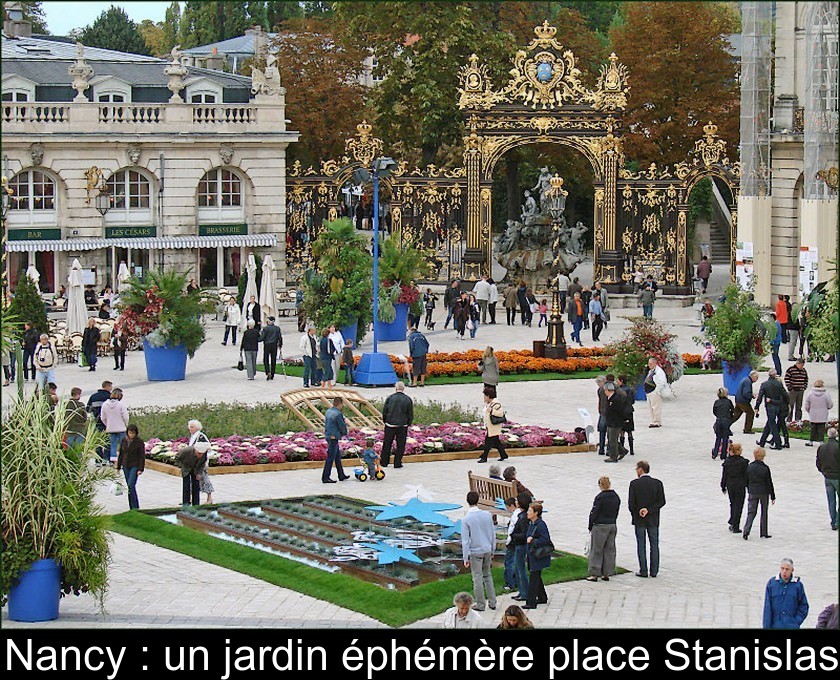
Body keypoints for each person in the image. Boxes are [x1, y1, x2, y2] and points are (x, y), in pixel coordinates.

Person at [628, 460, 666, 578]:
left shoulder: (634, 484)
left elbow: (631, 504)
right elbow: (661, 502)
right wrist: (649, 510)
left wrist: (639, 512)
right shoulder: (657, 483)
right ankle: (654, 571)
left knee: (641, 544)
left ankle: (643, 570)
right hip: (653, 519)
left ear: (640, 469)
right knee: (654, 544)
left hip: (640, 520)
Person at [461, 490, 497, 612]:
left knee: (477, 577)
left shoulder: (466, 519)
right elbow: (492, 533)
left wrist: (465, 558)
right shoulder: (487, 515)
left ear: (467, 501)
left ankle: (481, 604)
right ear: (478, 500)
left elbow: (465, 540)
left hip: (475, 551)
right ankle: (493, 602)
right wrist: (493, 549)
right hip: (487, 549)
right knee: (487, 575)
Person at [587, 476, 620, 581]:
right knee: (609, 549)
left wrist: (590, 524)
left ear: (600, 485)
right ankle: (607, 572)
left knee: (597, 550)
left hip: (600, 525)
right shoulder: (615, 496)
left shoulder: (600, 497)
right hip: (612, 524)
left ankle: (594, 573)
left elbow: (594, 512)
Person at [763, 558, 809, 629]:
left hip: (792, 626)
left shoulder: (798, 586)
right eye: (782, 568)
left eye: (787, 569)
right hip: (775, 626)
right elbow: (767, 607)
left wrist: (796, 622)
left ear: (792, 570)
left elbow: (804, 606)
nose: (784, 571)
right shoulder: (772, 584)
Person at [174, 421, 211, 506]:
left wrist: (199, 473)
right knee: (186, 486)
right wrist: (181, 467)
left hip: (196, 468)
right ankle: (185, 503)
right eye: (190, 427)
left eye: (192, 427)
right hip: (186, 467)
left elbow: (202, 463)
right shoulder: (186, 451)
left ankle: (196, 503)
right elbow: (177, 458)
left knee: (196, 485)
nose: (190, 429)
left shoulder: (201, 441)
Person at [743, 447, 775, 540]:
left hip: (752, 491)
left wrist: (749, 488)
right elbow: (769, 482)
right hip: (763, 492)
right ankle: (763, 532)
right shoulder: (765, 468)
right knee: (764, 512)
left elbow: (746, 480)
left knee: (751, 512)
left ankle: (746, 530)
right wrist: (772, 495)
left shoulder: (749, 467)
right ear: (763, 457)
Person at [524, 502, 552, 609]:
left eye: (530, 511)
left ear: (536, 513)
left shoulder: (540, 525)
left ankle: (531, 602)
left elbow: (546, 539)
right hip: (532, 554)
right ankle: (542, 597)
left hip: (538, 556)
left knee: (534, 578)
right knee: (536, 576)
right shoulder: (532, 523)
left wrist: (533, 541)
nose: (527, 513)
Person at [381, 381, 414, 468]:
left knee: (387, 443)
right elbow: (410, 413)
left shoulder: (390, 398)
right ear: (403, 389)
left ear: (396, 388)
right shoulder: (408, 399)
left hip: (390, 424)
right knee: (401, 444)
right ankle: (397, 463)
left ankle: (384, 462)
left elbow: (385, 411)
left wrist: (385, 421)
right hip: (402, 425)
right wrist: (408, 423)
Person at [721, 442, 749, 533]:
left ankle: (732, 521)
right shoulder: (743, 462)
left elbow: (724, 475)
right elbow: (747, 475)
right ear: (737, 451)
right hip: (740, 485)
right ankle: (735, 525)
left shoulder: (727, 462)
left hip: (730, 485)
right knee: (739, 505)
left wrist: (723, 486)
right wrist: (748, 485)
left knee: (733, 503)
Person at [508, 492, 531, 603]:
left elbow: (523, 534)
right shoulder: (522, 515)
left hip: (521, 546)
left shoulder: (523, 518)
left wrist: (513, 535)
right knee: (518, 568)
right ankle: (522, 591)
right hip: (519, 545)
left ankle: (524, 592)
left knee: (520, 569)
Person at [116, 423, 145, 510]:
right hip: (125, 465)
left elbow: (142, 456)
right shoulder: (124, 441)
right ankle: (131, 506)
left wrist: (141, 468)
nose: (131, 435)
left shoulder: (139, 442)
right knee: (129, 487)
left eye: (133, 433)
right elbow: (121, 454)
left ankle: (136, 506)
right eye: (130, 433)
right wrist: (118, 466)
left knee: (131, 484)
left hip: (134, 465)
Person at [477, 385, 508, 463]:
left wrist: (491, 411)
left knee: (488, 442)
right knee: (496, 442)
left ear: (488, 396)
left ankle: (484, 457)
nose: (484, 397)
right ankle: (503, 454)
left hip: (493, 427)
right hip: (490, 426)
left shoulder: (496, 404)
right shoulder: (489, 403)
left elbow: (500, 413)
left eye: (485, 396)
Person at [816, 428, 839, 531]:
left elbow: (818, 463)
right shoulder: (838, 447)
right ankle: (837, 522)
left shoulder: (822, 447)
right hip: (837, 477)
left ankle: (833, 522)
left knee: (831, 501)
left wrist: (823, 471)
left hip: (827, 477)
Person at [755, 370, 785, 450]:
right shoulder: (779, 384)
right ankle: (762, 441)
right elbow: (783, 395)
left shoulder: (764, 384)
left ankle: (778, 443)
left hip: (769, 407)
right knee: (769, 423)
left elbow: (760, 397)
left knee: (772, 425)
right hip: (777, 406)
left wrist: (757, 407)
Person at [322, 397, 349, 484]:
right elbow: (341, 425)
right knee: (330, 458)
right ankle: (325, 477)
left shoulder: (328, 411)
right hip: (334, 437)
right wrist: (344, 433)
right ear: (340, 404)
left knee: (337, 457)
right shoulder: (338, 414)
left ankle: (341, 475)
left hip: (328, 435)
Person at [100, 388, 128, 465]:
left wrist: (107, 424)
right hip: (121, 428)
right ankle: (123, 460)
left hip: (110, 428)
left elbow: (103, 418)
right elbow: (125, 416)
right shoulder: (121, 404)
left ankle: (112, 461)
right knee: (123, 445)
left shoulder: (105, 404)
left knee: (113, 445)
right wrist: (126, 424)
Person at [87, 380, 112, 465]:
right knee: (108, 441)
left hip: (97, 422)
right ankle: (107, 458)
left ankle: (98, 460)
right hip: (108, 422)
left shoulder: (93, 396)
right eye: (110, 387)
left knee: (98, 440)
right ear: (107, 387)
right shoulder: (110, 397)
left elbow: (88, 409)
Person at [603, 382, 628, 462]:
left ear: (608, 390)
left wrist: (625, 419)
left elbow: (620, 411)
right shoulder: (610, 398)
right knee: (611, 439)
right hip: (611, 421)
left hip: (616, 422)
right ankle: (622, 450)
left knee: (612, 440)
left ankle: (613, 457)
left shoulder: (616, 399)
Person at [805, 380, 833, 446]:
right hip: (823, 413)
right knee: (821, 428)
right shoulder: (826, 394)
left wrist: (809, 410)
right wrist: (826, 408)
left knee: (813, 428)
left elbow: (807, 405)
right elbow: (830, 404)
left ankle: (811, 441)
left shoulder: (810, 394)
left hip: (813, 413)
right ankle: (821, 441)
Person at [712, 387, 735, 460]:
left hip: (718, 420)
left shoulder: (716, 402)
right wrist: (730, 417)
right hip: (726, 420)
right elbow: (732, 410)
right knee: (725, 438)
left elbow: (714, 411)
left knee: (718, 437)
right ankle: (723, 454)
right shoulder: (728, 402)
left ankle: (715, 453)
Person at [502, 496, 520, 591]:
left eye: (508, 507)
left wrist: (508, 542)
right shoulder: (519, 514)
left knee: (508, 563)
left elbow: (511, 530)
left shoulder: (515, 516)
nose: (507, 509)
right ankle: (516, 581)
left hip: (512, 542)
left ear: (512, 505)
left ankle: (510, 583)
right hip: (517, 542)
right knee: (516, 562)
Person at [733, 370, 759, 434]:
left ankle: (723, 426)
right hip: (743, 401)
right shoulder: (748, 382)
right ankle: (747, 429)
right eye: (756, 377)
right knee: (750, 413)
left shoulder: (745, 379)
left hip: (738, 399)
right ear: (752, 376)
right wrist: (752, 396)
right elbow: (746, 393)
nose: (757, 379)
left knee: (736, 415)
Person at [643, 357, 667, 428]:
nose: (649, 365)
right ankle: (654, 420)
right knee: (651, 408)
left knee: (656, 407)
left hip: (654, 392)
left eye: (650, 364)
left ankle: (657, 421)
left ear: (655, 363)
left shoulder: (659, 372)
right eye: (648, 363)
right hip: (649, 392)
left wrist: (656, 391)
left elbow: (661, 382)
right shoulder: (651, 371)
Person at [616, 375, 636, 456]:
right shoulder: (630, 390)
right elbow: (633, 401)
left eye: (618, 381)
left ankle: (622, 448)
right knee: (630, 431)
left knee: (622, 431)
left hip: (622, 412)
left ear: (621, 381)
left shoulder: (620, 390)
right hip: (629, 411)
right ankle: (632, 450)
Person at [258, 316, 282, 381]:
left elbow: (262, 337)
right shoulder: (277, 328)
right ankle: (272, 374)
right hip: (274, 345)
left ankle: (268, 372)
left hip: (267, 344)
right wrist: (280, 345)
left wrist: (257, 339)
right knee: (273, 360)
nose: (267, 321)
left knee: (266, 359)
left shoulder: (266, 329)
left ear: (272, 321)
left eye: (268, 320)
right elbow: (280, 337)